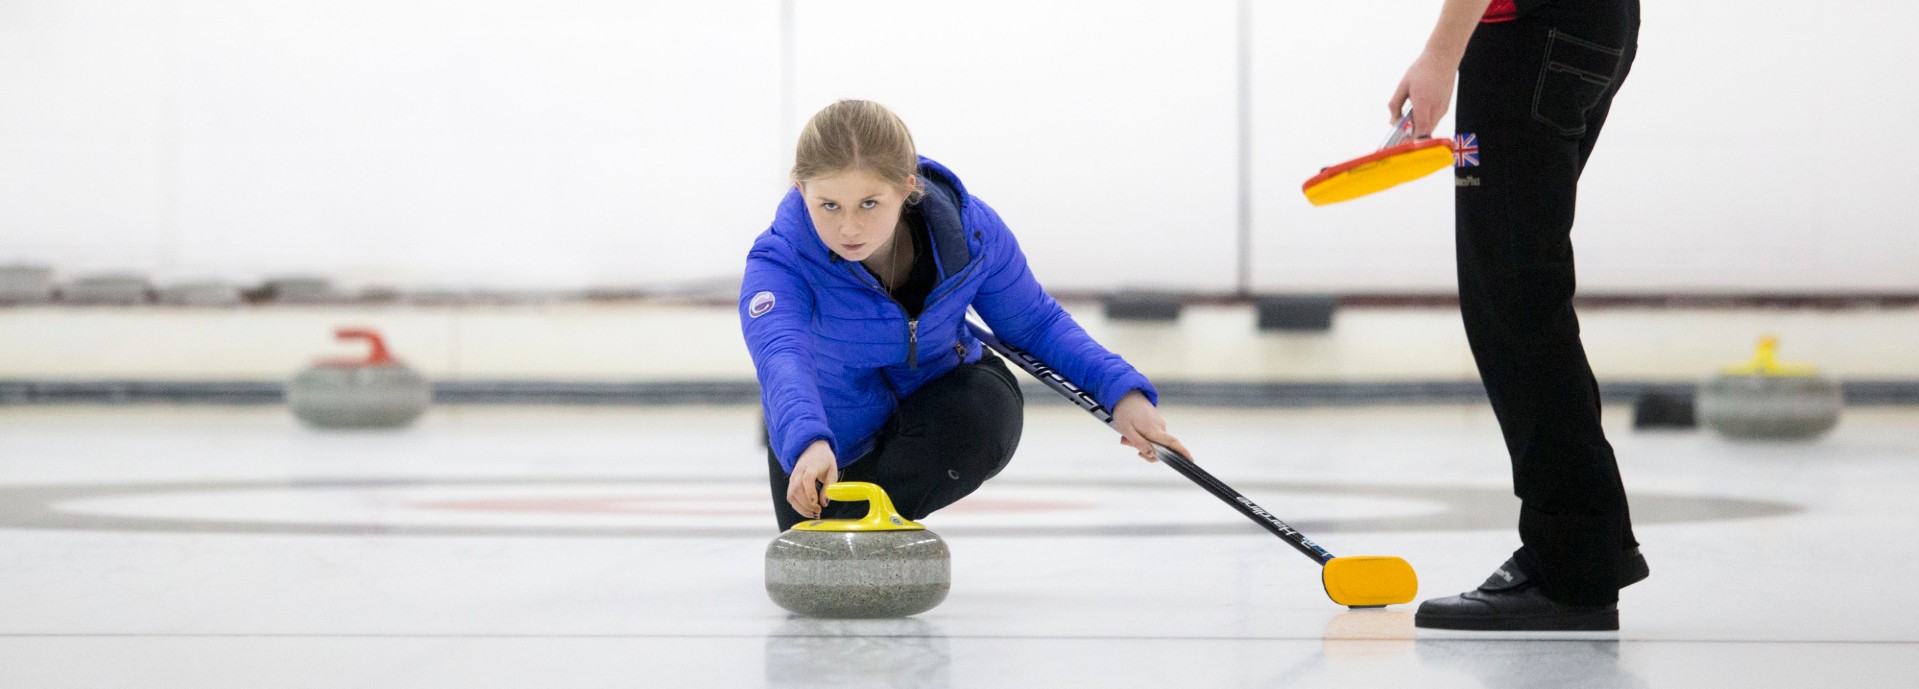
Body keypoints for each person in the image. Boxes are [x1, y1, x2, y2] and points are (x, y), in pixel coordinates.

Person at [742, 99, 1192, 531]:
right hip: (828, 439)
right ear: (801, 191)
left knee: (985, 415)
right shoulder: (778, 261)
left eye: (869, 203)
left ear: (906, 187)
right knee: (820, 548)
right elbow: (783, 358)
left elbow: (1035, 323)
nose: (849, 227)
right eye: (829, 205)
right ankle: (849, 520)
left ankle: (868, 525)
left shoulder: (971, 233)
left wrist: (1122, 394)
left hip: (940, 396)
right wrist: (808, 441)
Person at [1386, 0, 1649, 631]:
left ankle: (1571, 566)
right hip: (1586, 31)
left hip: (1529, 40)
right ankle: (1587, 548)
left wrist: (1441, 54)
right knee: (1521, 286)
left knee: (1514, 295)